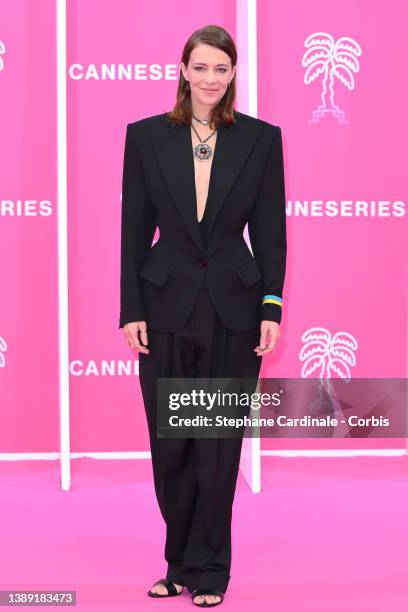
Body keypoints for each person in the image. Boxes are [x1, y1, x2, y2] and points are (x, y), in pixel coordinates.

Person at [119, 24, 287, 608]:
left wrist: (272, 304)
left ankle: (211, 569)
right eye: (202, 67)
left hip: (233, 310)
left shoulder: (262, 140)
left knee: (217, 443)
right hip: (163, 306)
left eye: (223, 68)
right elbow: (134, 230)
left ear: (233, 74)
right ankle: (178, 563)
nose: (212, 78)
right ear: (184, 70)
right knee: (173, 444)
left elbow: (269, 232)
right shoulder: (144, 138)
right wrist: (130, 308)